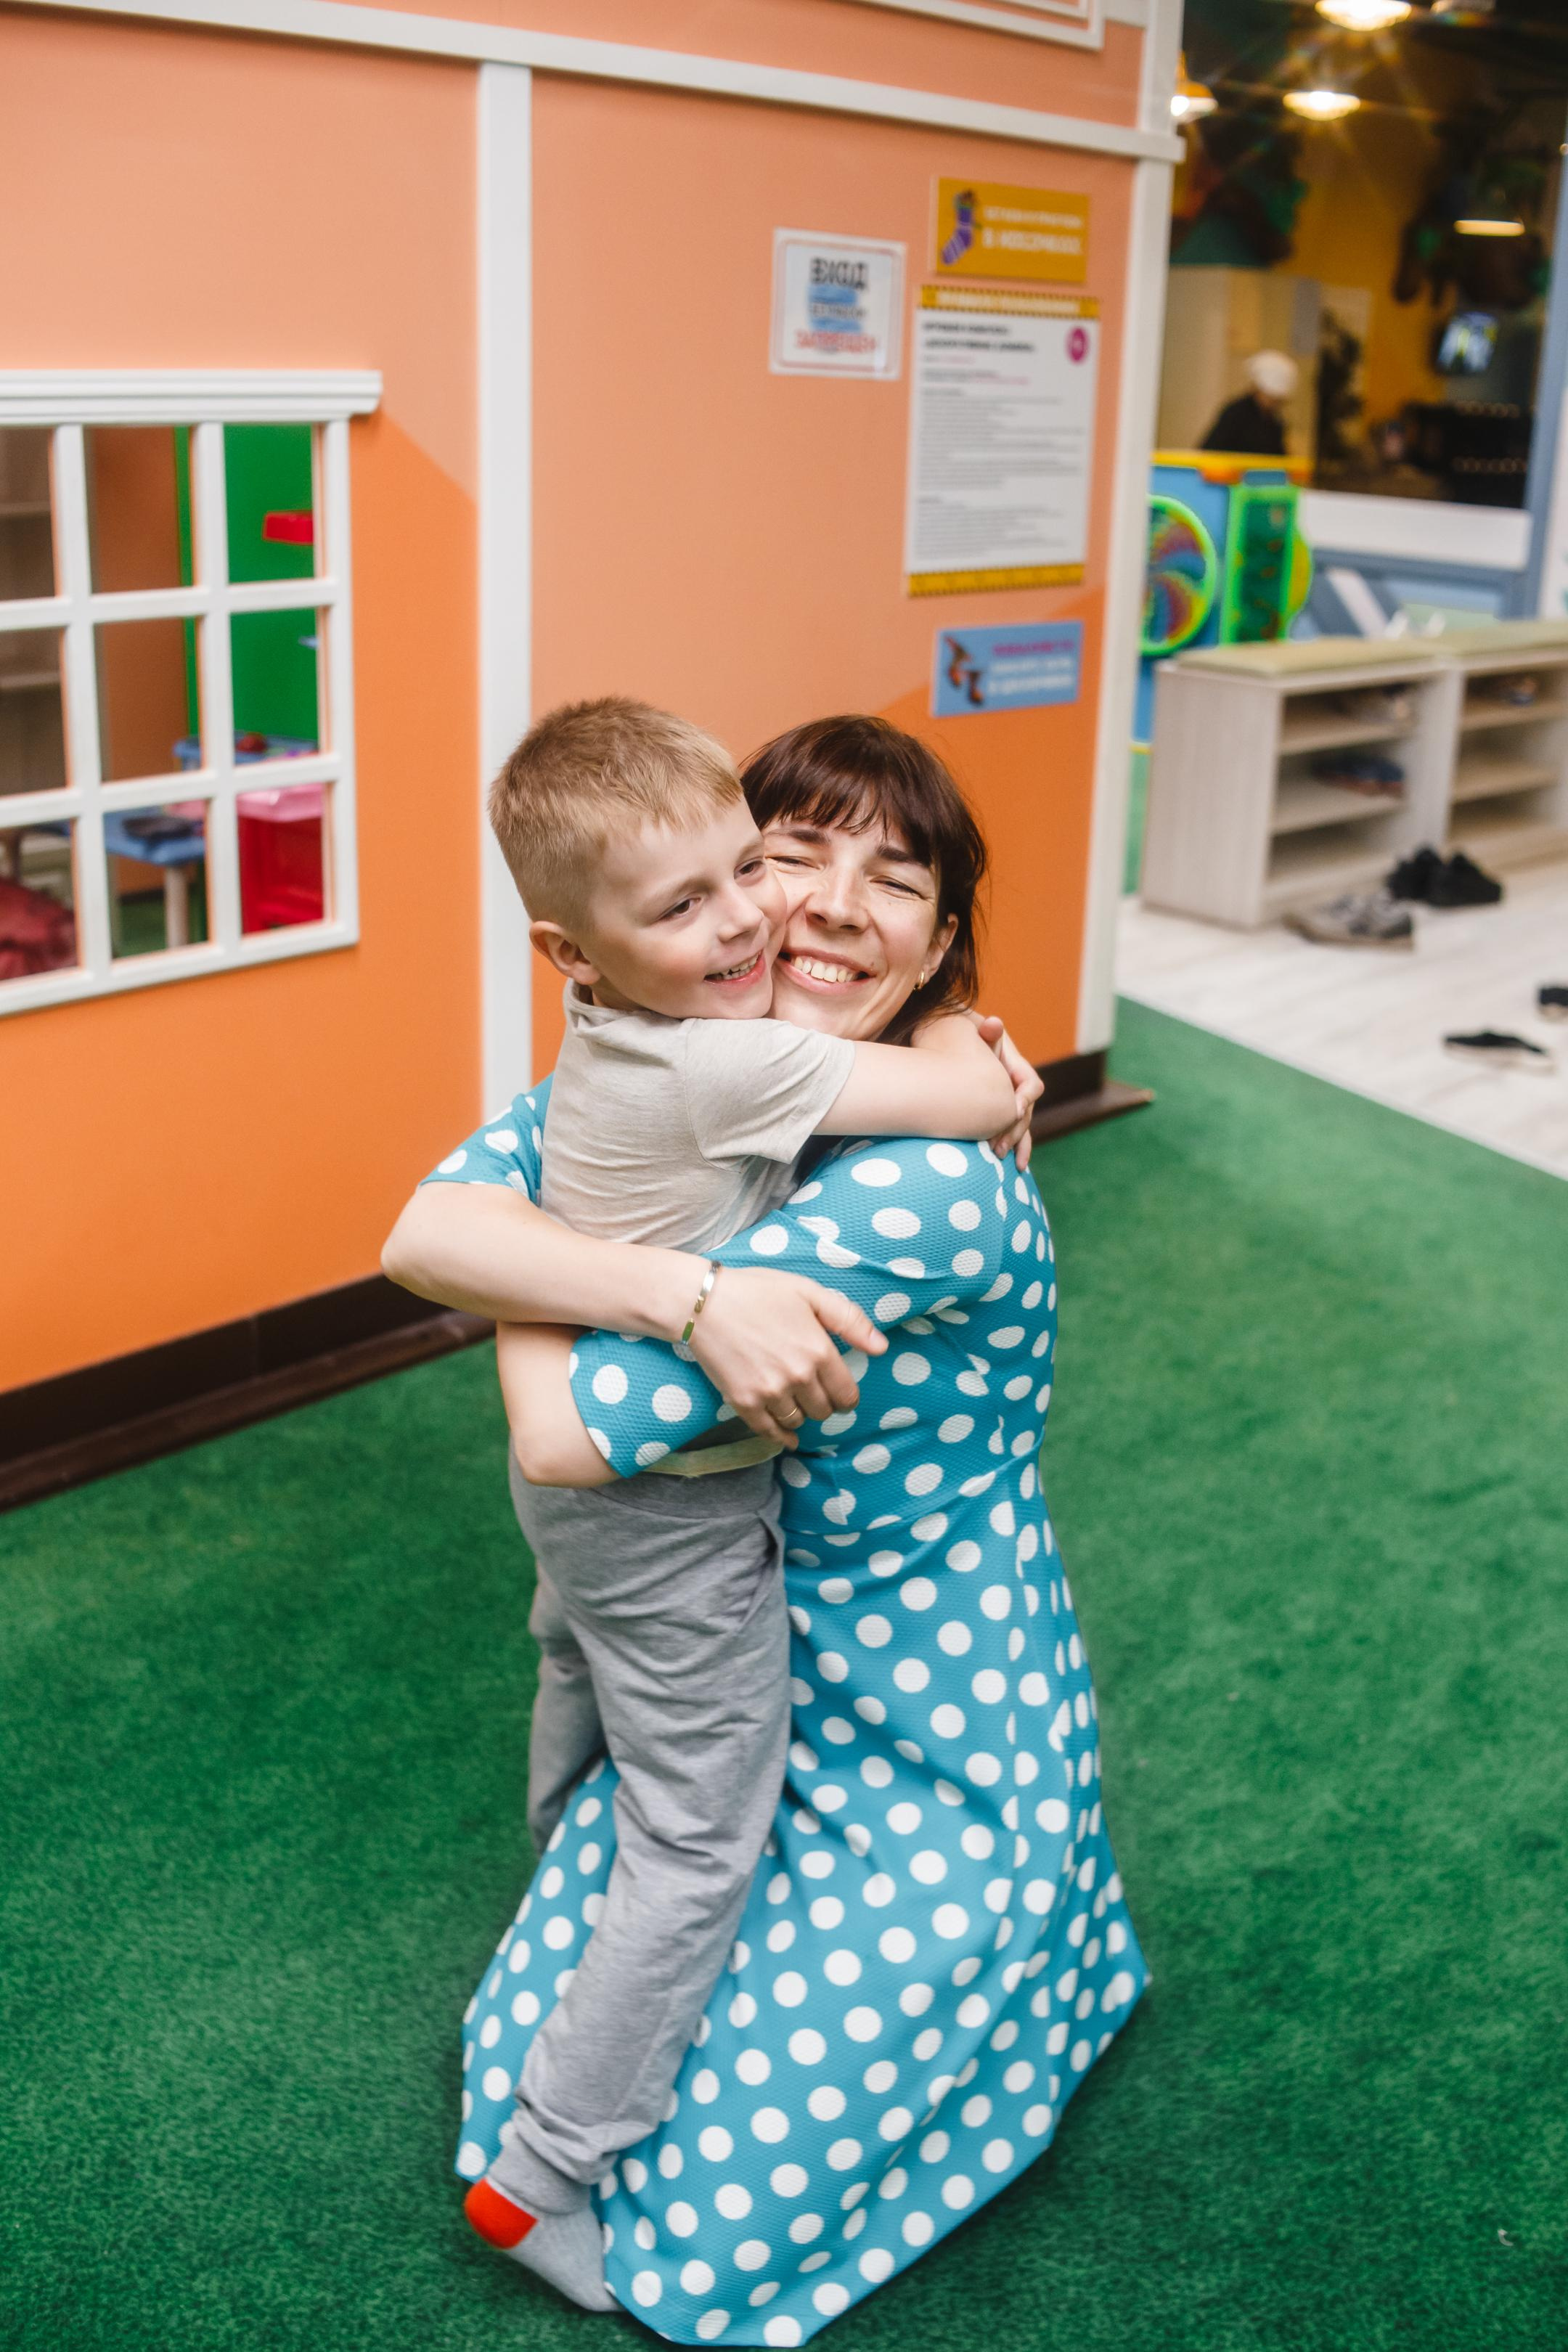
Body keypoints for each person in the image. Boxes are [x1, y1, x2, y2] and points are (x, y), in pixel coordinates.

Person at [389, 717, 1146, 2342]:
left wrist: (560, 1251)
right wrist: (677, 1285)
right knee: (604, 1901)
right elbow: (428, 1228)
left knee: (719, 2202)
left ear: (941, 948)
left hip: (923, 1725)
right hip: (740, 1631)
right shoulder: (695, 1069)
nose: (812, 906)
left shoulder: (920, 1182)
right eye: (788, 852)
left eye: (896, 881)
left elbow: (561, 1427)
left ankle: (563, 2155)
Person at [1199, 348, 1299, 457]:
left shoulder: (1274, 420)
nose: (1275, 403)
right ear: (1257, 388)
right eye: (1272, 397)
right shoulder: (1236, 413)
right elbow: (1210, 451)